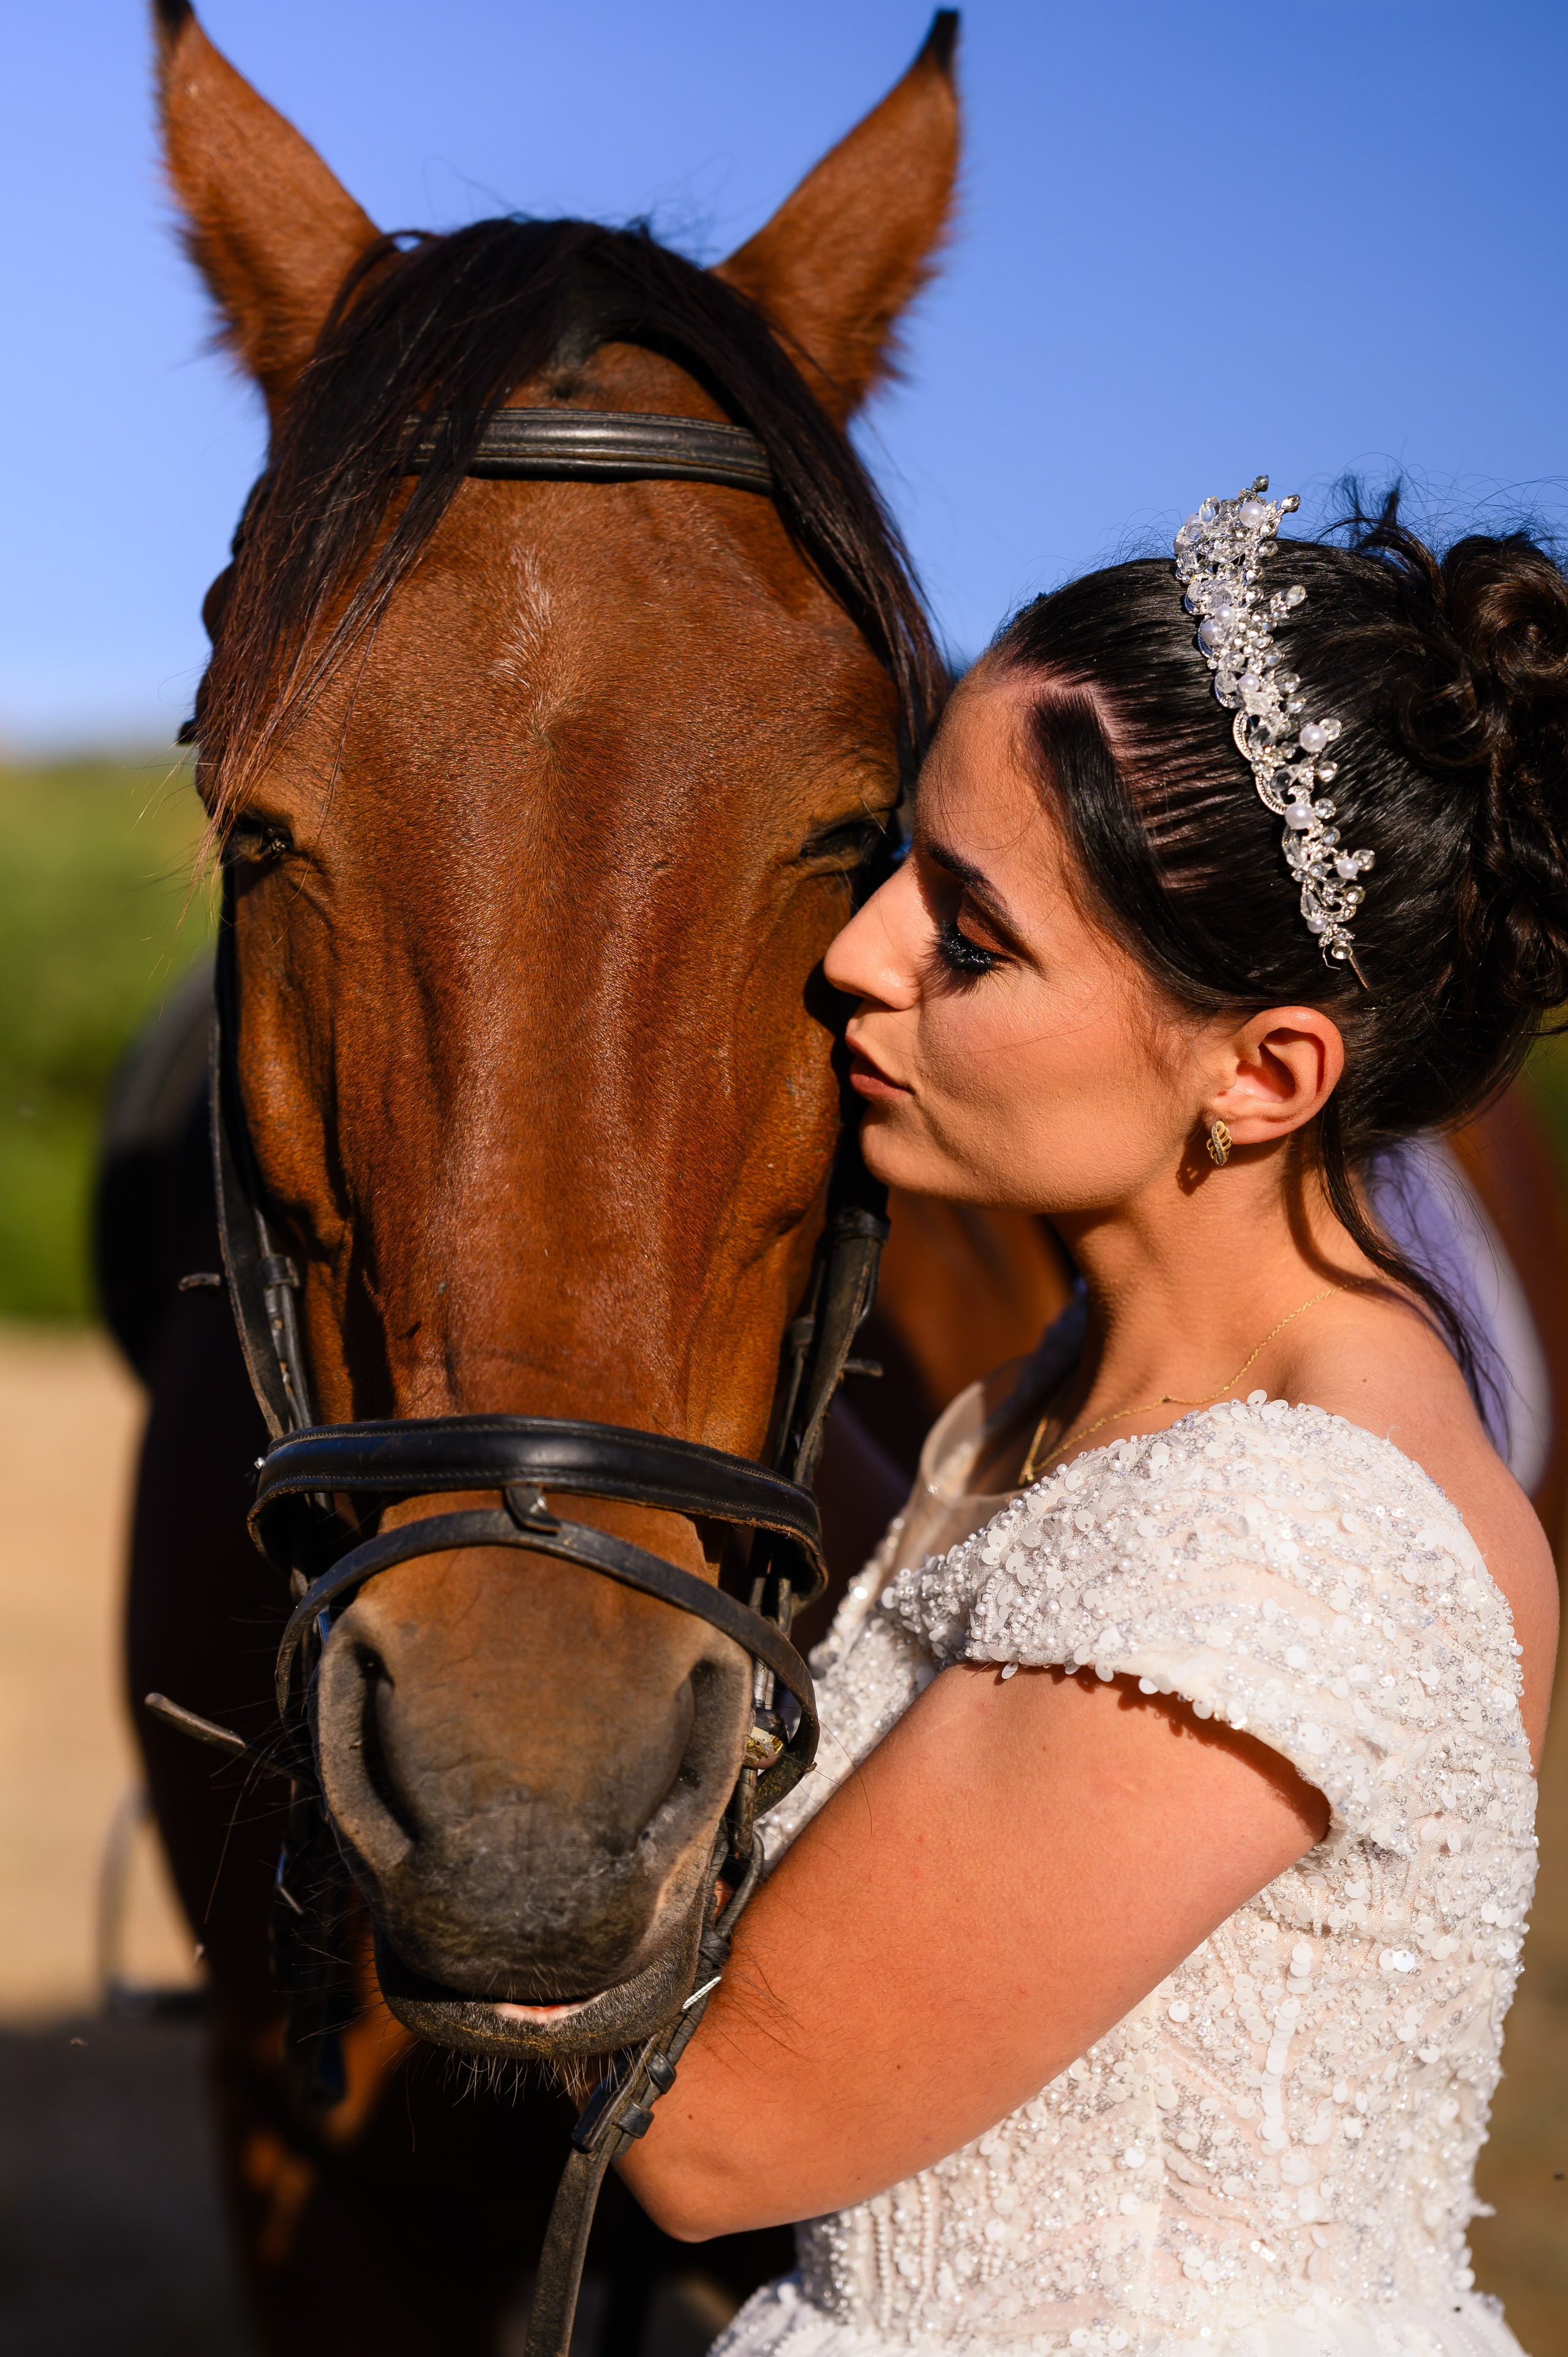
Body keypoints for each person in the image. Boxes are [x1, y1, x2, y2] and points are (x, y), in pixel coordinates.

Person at [617, 481, 1564, 2356]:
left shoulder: (1279, 1543)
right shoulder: (1071, 1387)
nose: (858, 956)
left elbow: (715, 2138)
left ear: (1264, 1071)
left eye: (969, 938)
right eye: (906, 862)